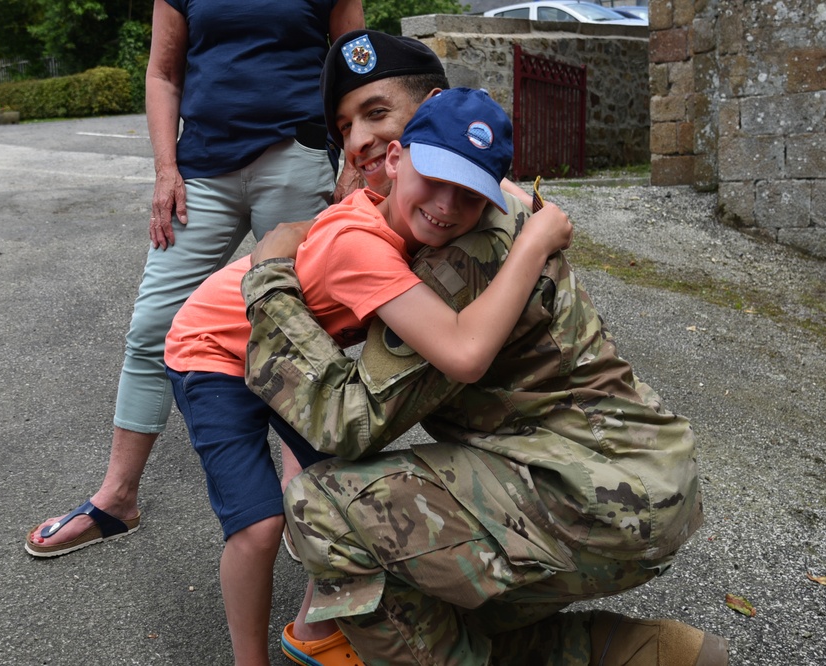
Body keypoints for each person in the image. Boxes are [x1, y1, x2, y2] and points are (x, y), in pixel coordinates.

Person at [239, 38, 727, 666]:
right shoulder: (489, 213)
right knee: (411, 598)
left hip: (597, 492)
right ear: (400, 160)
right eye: (345, 125)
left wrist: (270, 280)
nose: (446, 207)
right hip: (621, 476)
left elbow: (344, 422)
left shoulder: (462, 264)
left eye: (376, 112)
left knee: (321, 508)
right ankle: (630, 651)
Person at [164, 87, 571, 666]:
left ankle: (311, 631)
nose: (448, 208)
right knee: (258, 527)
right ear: (397, 159)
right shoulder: (361, 248)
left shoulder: (395, 194)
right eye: (436, 180)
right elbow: (463, 354)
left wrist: (507, 191)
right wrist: (536, 240)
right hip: (215, 351)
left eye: (469, 195)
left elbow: (476, 184)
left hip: (288, 354)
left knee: (334, 492)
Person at [24, 0, 364, 558]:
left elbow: (354, 62)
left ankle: (311, 501)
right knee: (153, 325)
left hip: (297, 156)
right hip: (202, 168)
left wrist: (351, 163)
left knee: (304, 331)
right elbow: (163, 73)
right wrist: (165, 170)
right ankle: (117, 498)